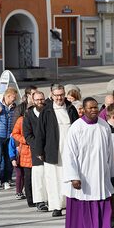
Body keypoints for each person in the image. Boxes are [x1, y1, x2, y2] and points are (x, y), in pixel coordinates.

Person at [63, 97, 114, 228]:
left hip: (100, 175)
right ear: (84, 110)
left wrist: (110, 174)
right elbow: (69, 154)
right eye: (90, 108)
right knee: (80, 209)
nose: (93, 110)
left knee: (102, 209)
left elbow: (109, 151)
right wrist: (74, 177)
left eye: (95, 107)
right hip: (82, 175)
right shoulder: (76, 128)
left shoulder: (104, 126)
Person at [35, 84, 79, 217]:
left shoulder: (71, 109)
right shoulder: (46, 110)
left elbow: (78, 127)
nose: (59, 98)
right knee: (53, 178)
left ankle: (71, 203)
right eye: (57, 95)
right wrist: (39, 151)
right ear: (52, 95)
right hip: (52, 149)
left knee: (71, 176)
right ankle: (56, 206)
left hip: (70, 149)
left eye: (61, 94)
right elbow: (40, 132)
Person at [23, 91, 48, 212]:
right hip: (36, 150)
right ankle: (39, 201)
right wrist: (38, 147)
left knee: (49, 175)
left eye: (42, 99)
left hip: (49, 149)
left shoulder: (49, 112)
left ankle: (50, 199)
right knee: (38, 177)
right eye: (37, 100)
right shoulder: (29, 115)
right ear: (33, 101)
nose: (40, 102)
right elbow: (27, 135)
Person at [12, 107, 34, 207]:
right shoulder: (21, 120)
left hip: (37, 151)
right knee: (28, 178)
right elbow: (15, 133)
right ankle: (30, 200)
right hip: (26, 151)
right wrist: (25, 140)